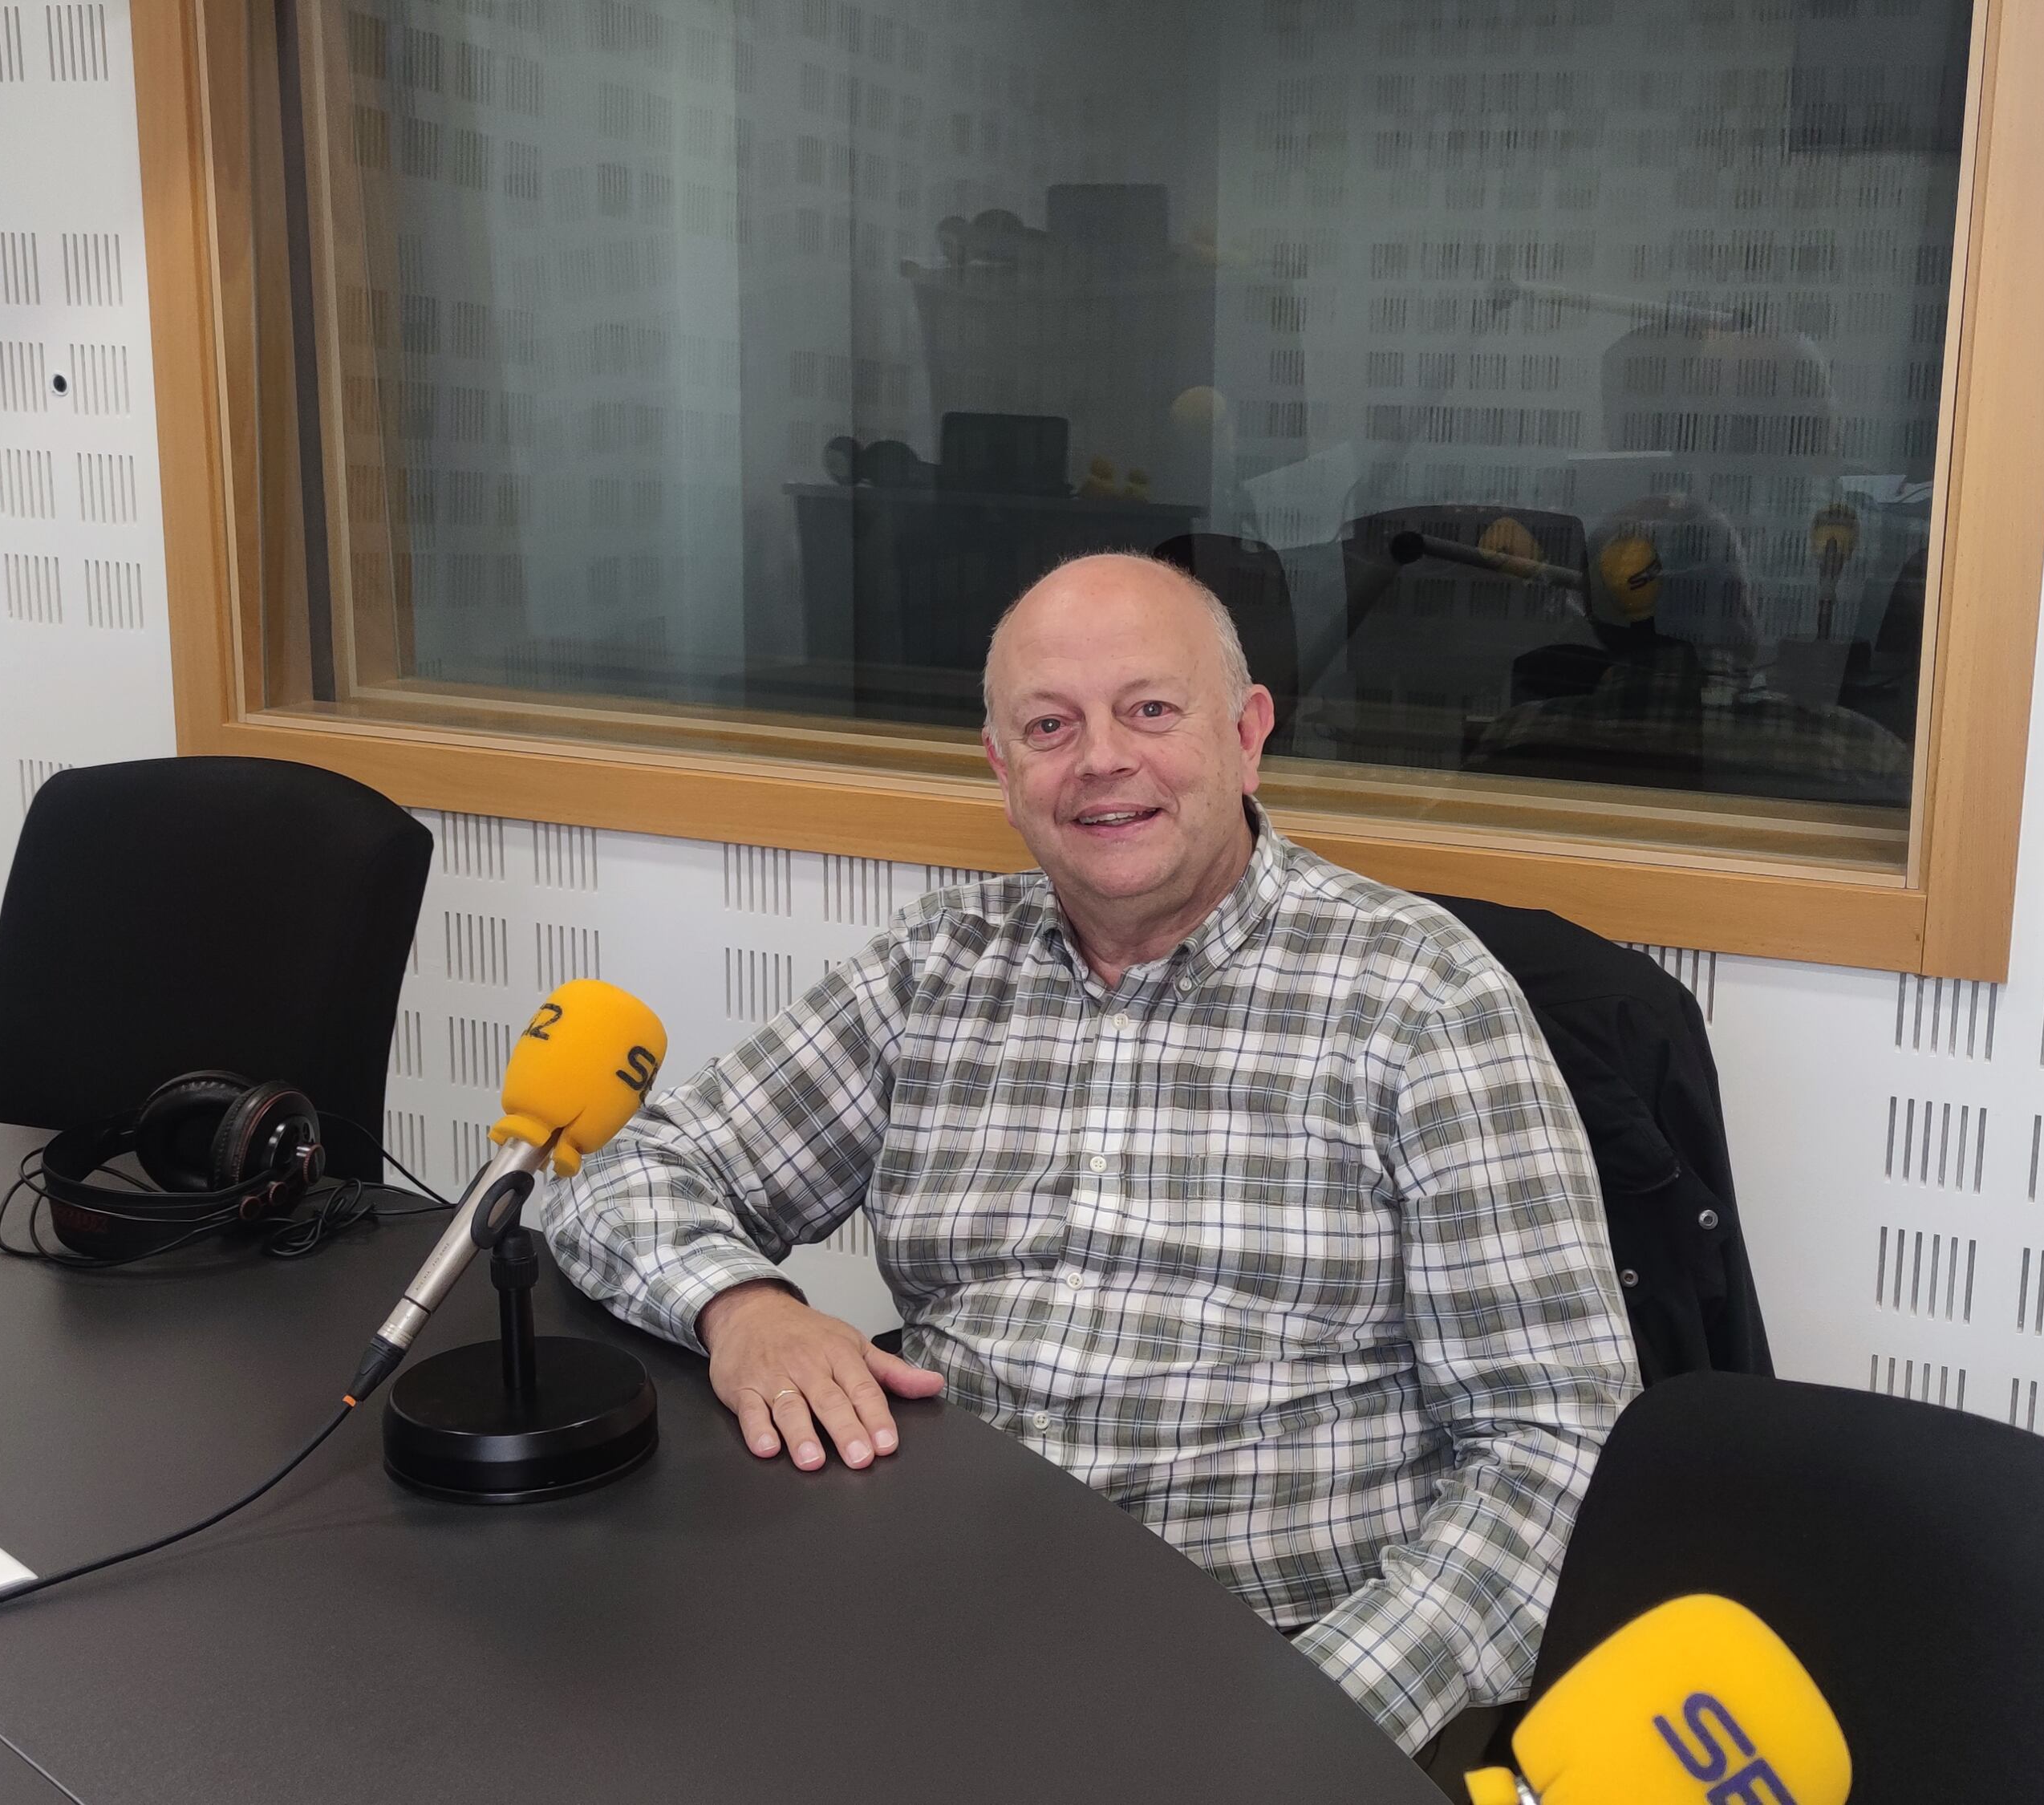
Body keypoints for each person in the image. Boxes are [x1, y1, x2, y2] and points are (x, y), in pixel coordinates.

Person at [537, 551, 1645, 1756]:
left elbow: (1554, 1448)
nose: (1103, 758)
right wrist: (743, 1306)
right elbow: (634, 1175)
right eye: (1051, 726)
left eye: (1150, 710)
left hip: (1272, 1650)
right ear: (1003, 772)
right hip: (936, 1616)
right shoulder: (934, 969)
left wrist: (1299, 1726)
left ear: (1247, 733)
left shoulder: (1420, 999)